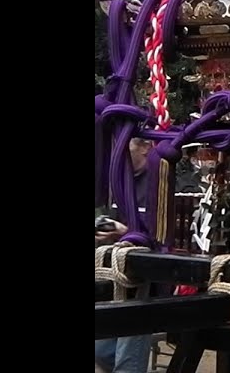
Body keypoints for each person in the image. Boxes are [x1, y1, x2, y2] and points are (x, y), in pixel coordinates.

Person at [95, 137, 155, 373]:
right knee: (101, 350)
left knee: (128, 361)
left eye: (124, 144)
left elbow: (163, 237)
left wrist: (127, 233)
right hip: (115, 274)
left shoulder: (159, 183)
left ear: (144, 147)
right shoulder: (117, 183)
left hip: (145, 280)